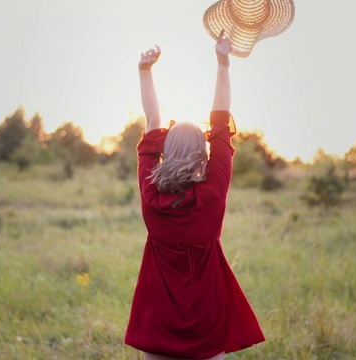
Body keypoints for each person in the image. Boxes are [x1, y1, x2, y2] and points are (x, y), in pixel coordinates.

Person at [124, 30, 265, 360]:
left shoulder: (149, 190)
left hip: (157, 313)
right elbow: (219, 121)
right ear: (203, 156)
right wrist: (222, 64)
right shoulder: (214, 189)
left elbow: (153, 120)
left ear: (164, 151)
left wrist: (145, 71)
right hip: (207, 311)